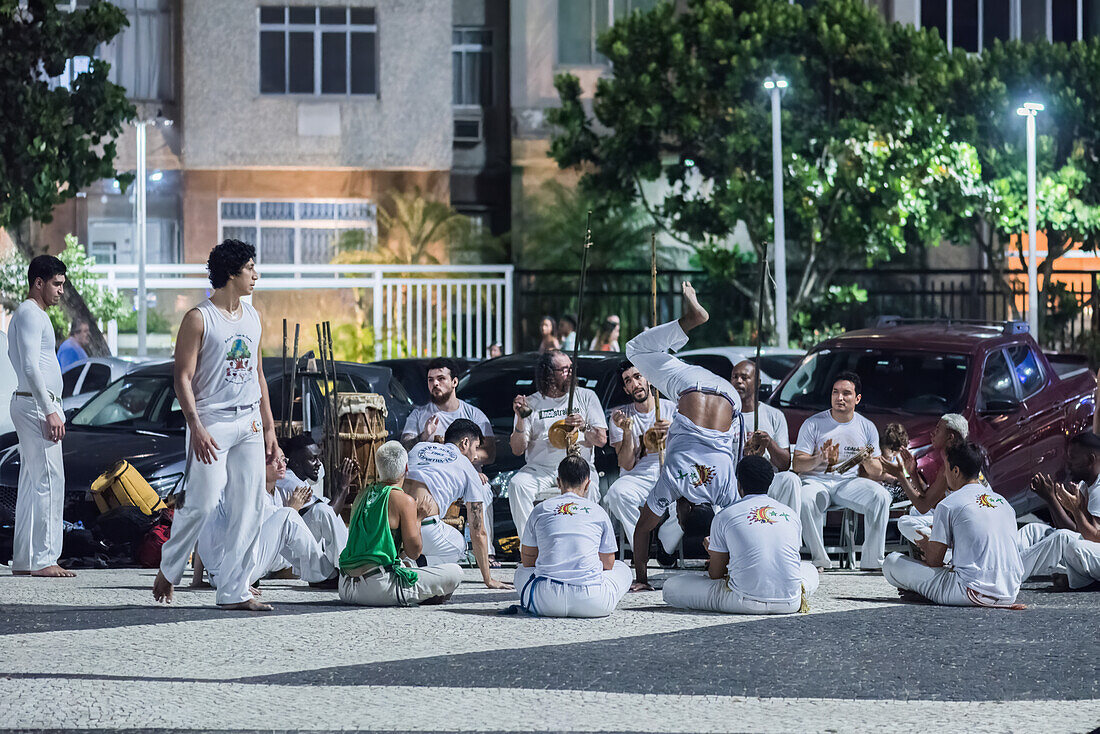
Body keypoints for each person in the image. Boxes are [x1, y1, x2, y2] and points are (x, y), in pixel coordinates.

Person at [153, 239, 278, 611]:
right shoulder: (198, 318)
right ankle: (169, 569)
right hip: (212, 422)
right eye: (250, 268)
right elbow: (182, 378)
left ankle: (234, 590)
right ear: (230, 273)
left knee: (251, 506)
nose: (255, 274)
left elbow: (258, 373)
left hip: (249, 422)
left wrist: (270, 428)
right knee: (203, 504)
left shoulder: (253, 316)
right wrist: (196, 427)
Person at [624, 283, 743, 591]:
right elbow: (641, 531)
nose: (676, 509)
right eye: (680, 511)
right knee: (634, 350)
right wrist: (641, 579)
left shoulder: (725, 487)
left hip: (730, 399)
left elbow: (738, 528)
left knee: (641, 352)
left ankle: (690, 321)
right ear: (687, 508)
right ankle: (690, 319)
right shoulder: (674, 481)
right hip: (691, 388)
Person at [663, 456, 818, 614]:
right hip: (791, 602)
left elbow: (716, 575)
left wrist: (715, 553)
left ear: (738, 484)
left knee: (671, 586)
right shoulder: (790, 514)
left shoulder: (725, 515)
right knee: (810, 569)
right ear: (770, 483)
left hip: (743, 601)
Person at [882, 442, 1024, 607]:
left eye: (945, 469)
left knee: (891, 562)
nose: (944, 474)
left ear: (955, 471)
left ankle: (924, 591)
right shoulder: (1004, 503)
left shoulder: (949, 504)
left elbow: (934, 562)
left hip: (968, 591)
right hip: (1010, 592)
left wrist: (927, 546)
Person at [338, 441, 463, 606]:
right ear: (406, 468)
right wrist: (419, 518)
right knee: (455, 572)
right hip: (377, 589)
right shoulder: (404, 500)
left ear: (378, 468)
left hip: (345, 587)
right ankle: (418, 595)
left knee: (407, 565)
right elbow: (414, 552)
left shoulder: (362, 495)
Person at [9, 255, 72, 578]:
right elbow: (31, 366)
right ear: (39, 282)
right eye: (57, 284)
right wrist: (49, 408)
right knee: (49, 479)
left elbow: (18, 359)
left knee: (33, 481)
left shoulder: (26, 315)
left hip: (29, 401)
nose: (61, 290)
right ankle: (45, 558)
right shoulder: (31, 314)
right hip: (37, 404)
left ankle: (24, 559)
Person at [195, 450, 338, 589]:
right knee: (287, 516)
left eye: (283, 459)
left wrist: (197, 579)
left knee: (319, 512)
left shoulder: (274, 493)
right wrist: (292, 510)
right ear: (257, 465)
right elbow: (220, 533)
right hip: (233, 573)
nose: (282, 465)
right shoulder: (249, 492)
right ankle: (323, 575)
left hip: (239, 570)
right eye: (275, 461)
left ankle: (339, 567)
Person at [792, 372, 890, 571]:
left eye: (846, 393)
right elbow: (797, 465)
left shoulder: (866, 426)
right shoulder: (814, 423)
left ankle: (872, 561)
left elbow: (877, 471)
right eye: (835, 392)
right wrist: (818, 458)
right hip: (816, 481)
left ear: (857, 398)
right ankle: (820, 559)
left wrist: (867, 460)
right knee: (804, 499)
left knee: (881, 496)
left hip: (847, 483)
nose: (840, 398)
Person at [514, 455, 631, 617]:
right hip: (592, 601)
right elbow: (608, 564)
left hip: (545, 601)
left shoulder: (541, 509)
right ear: (588, 484)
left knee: (520, 571)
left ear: (558, 482)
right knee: (623, 569)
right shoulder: (598, 511)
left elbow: (527, 560)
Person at [509, 350, 607, 538]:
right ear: (548, 374)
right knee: (517, 485)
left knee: (592, 487)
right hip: (541, 469)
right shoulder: (531, 403)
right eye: (564, 370)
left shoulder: (586, 397)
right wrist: (520, 419)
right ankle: (530, 546)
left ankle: (587, 540)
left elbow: (602, 440)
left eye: (571, 368)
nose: (570, 373)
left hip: (578, 465)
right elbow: (517, 449)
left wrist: (584, 425)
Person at [404, 420, 511, 589]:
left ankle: (403, 555)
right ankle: (415, 564)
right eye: (476, 448)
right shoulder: (468, 468)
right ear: (465, 443)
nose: (476, 456)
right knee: (459, 546)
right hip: (423, 528)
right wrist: (488, 579)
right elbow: (478, 531)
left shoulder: (419, 448)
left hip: (393, 522)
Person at [1016, 431, 1100, 589]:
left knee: (1066, 541)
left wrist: (1074, 510)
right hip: (1092, 551)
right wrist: (1050, 499)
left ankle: (1004, 576)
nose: (1067, 464)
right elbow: (1074, 531)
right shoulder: (1084, 485)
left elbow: (1094, 537)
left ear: (1090, 460)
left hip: (1094, 546)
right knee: (1034, 530)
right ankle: (997, 562)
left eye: (1072, 458)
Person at [604, 361, 674, 547]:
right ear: (626, 389)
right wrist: (627, 431)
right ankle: (641, 545)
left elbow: (688, 449)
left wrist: (673, 431)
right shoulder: (620, 415)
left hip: (668, 474)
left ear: (648, 380)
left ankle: (665, 544)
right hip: (637, 477)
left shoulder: (670, 409)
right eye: (628, 381)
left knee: (689, 496)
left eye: (637, 377)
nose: (635, 384)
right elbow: (626, 464)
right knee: (616, 494)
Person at [879, 414, 969, 548]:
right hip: (956, 518)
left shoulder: (951, 465)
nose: (932, 433)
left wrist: (900, 476)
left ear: (950, 438)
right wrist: (913, 473)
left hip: (963, 524)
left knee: (905, 522)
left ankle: (942, 550)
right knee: (914, 511)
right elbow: (930, 500)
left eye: (938, 430)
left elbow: (924, 506)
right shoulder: (950, 459)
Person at [729, 359, 800, 513]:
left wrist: (769, 443)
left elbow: (784, 464)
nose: (738, 381)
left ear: (758, 383)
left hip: (766, 482)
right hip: (734, 482)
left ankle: (790, 532)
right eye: (735, 377)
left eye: (744, 377)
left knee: (790, 480)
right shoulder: (723, 415)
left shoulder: (774, 415)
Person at [401, 357, 495, 465]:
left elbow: (489, 454)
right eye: (430, 379)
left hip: (462, 479)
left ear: (454, 382)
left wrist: (452, 456)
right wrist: (424, 436)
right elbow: (404, 450)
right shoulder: (417, 415)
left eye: (441, 378)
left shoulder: (474, 415)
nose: (435, 383)